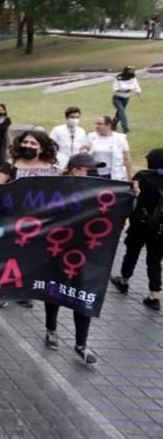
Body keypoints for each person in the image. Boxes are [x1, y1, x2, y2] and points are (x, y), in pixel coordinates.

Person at [42, 153, 106, 365]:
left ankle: (81, 343)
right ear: (74, 169)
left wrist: (131, 194)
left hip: (86, 251)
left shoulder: (99, 190)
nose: (91, 173)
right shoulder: (58, 187)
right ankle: (51, 329)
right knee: (54, 289)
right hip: (58, 247)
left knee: (84, 291)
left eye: (93, 170)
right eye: (86, 169)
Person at [0, 130, 61, 308]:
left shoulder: (53, 169)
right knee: (10, 258)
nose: (28, 146)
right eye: (25, 142)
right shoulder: (11, 165)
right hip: (13, 220)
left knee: (30, 258)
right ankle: (4, 292)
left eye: (33, 144)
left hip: (40, 222)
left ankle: (24, 291)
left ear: (42, 148)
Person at [111, 148, 163, 311]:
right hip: (160, 228)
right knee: (155, 260)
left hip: (139, 224)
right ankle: (154, 295)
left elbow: (130, 196)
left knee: (132, 252)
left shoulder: (142, 176)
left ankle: (124, 280)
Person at [88, 114, 131, 181]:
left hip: (114, 176)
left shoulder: (120, 139)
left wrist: (129, 178)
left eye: (100, 124)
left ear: (108, 125)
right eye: (96, 124)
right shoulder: (90, 137)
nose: (97, 126)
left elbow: (127, 159)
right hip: (94, 175)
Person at [50, 106, 90, 170]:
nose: (75, 119)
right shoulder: (57, 130)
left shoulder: (81, 131)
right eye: (72, 117)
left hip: (76, 164)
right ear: (67, 117)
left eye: (77, 117)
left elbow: (83, 147)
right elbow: (51, 146)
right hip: (60, 164)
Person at [111, 65, 142, 133]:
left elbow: (136, 87)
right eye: (129, 70)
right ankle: (125, 127)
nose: (131, 72)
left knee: (119, 113)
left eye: (132, 71)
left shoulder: (133, 78)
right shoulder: (119, 77)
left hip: (126, 99)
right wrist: (124, 90)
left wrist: (139, 94)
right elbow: (114, 88)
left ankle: (113, 123)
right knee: (122, 112)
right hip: (117, 98)